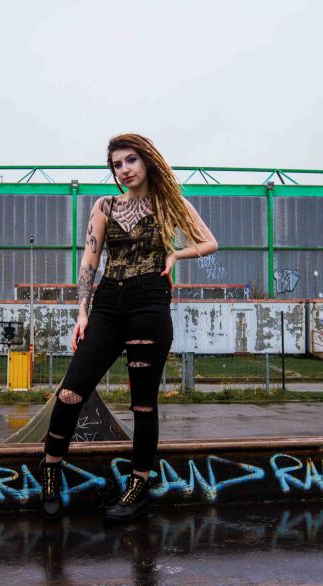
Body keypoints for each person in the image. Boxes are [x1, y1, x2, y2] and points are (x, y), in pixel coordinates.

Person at [39, 133, 218, 521]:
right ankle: (51, 468)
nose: (124, 169)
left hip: (149, 303)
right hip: (107, 306)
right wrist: (82, 312)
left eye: (131, 160)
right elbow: (89, 261)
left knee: (142, 403)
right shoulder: (104, 206)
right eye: (117, 164)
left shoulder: (170, 205)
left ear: (147, 161)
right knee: (71, 391)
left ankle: (138, 486)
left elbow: (209, 242)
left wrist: (175, 253)